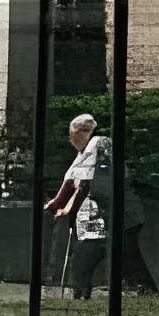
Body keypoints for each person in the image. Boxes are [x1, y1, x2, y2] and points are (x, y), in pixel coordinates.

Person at [46, 113, 107, 297]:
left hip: (97, 218)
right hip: (84, 220)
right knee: (80, 259)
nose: (71, 141)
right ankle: (80, 297)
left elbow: (84, 185)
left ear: (83, 133)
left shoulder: (97, 144)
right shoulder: (81, 154)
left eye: (72, 136)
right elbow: (70, 183)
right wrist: (53, 204)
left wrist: (67, 208)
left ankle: (81, 299)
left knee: (82, 261)